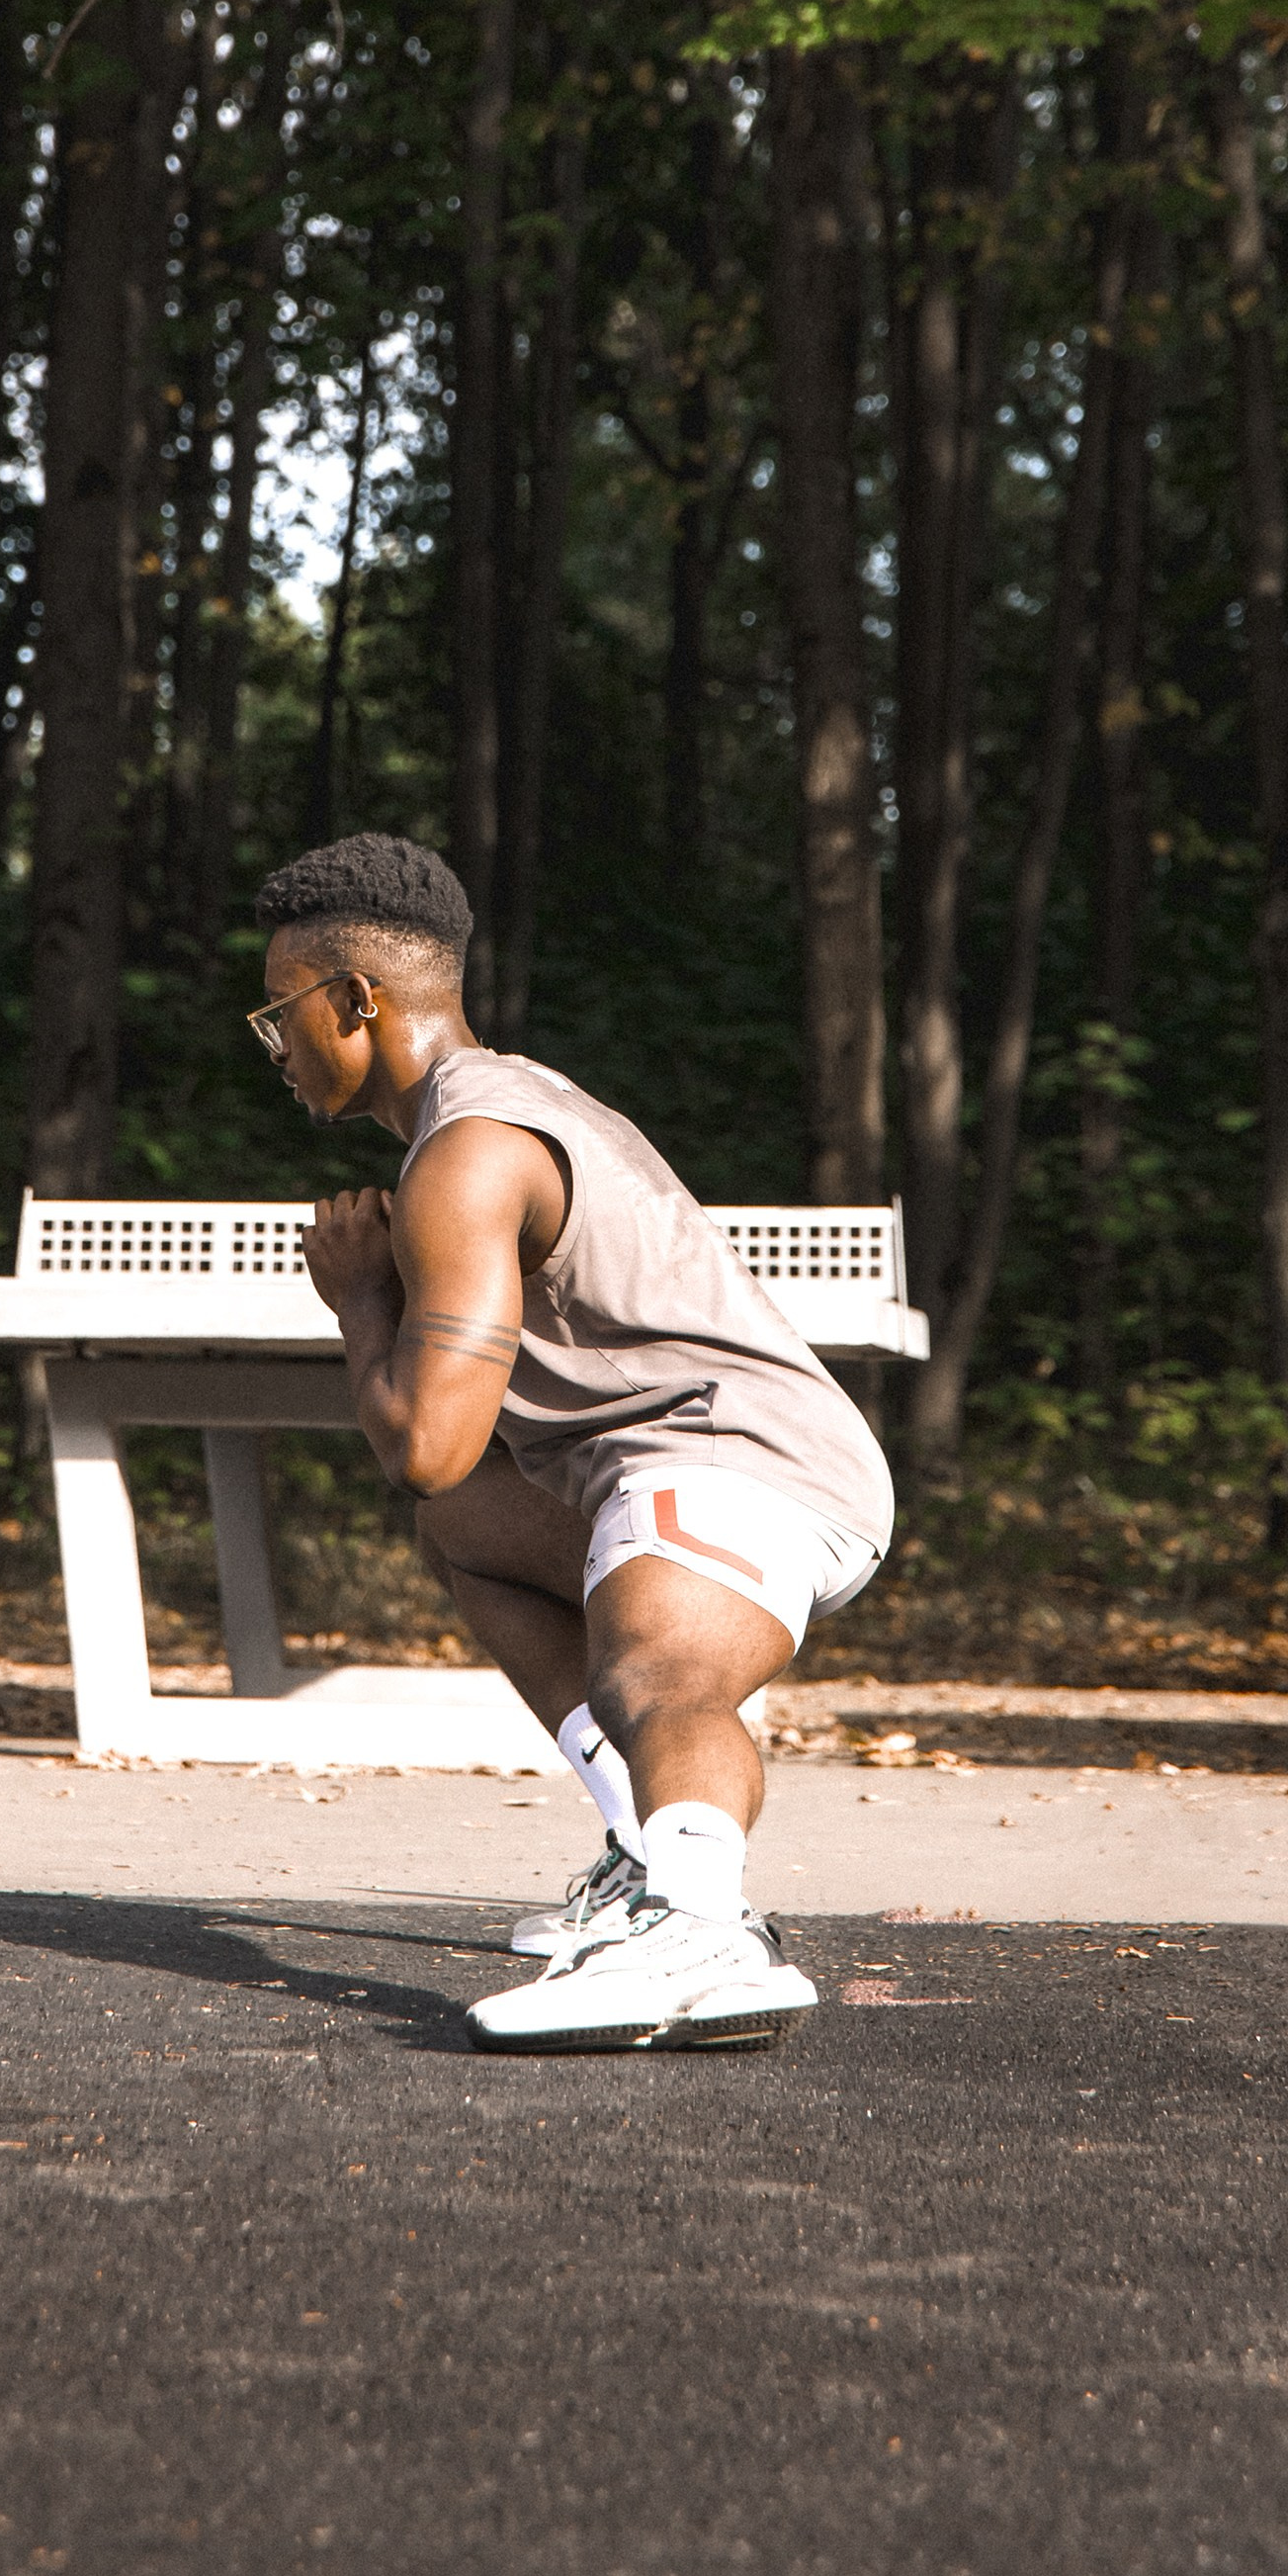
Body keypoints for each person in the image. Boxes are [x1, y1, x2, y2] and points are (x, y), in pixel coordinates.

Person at [250, 829, 893, 2053]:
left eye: (281, 1012)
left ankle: (701, 1929)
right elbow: (449, 1487)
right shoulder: (491, 1112)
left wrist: (361, 1306)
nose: (274, 1047)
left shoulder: (471, 1152)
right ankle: (648, 1855)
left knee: (658, 1674)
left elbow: (427, 1441)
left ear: (355, 999)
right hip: (673, 1460)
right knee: (471, 1526)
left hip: (738, 1454)